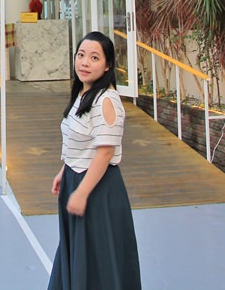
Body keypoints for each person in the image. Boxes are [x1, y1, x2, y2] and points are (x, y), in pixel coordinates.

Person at [48, 31, 140, 290]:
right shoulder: (83, 94)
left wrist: (82, 192)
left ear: (108, 65)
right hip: (75, 180)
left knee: (99, 258)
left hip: (97, 189)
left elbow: (105, 152)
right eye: (81, 55)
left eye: (94, 57)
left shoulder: (106, 100)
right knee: (81, 252)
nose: (84, 62)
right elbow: (81, 141)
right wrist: (64, 170)